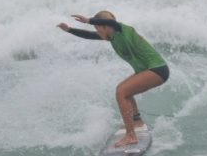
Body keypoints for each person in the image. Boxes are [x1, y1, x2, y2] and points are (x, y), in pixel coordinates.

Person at [57, 11, 169, 148]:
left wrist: (88, 21)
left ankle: (131, 136)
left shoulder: (123, 30)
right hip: (150, 70)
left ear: (105, 26)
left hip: (157, 69)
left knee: (121, 92)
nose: (96, 31)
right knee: (124, 90)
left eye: (97, 27)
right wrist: (69, 30)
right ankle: (136, 120)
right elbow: (89, 36)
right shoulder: (112, 37)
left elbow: (111, 23)